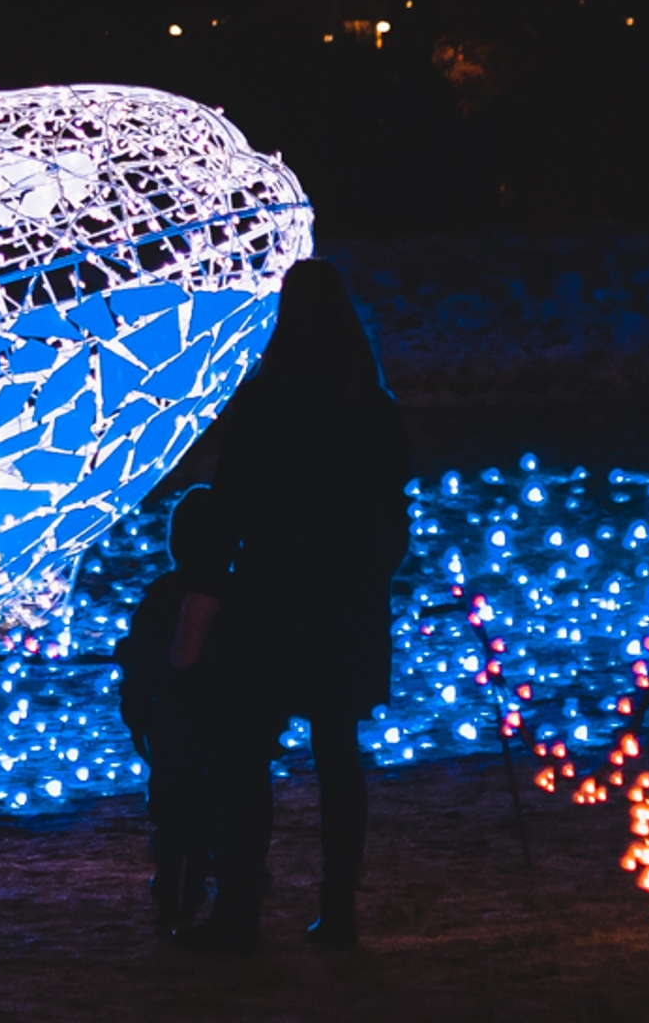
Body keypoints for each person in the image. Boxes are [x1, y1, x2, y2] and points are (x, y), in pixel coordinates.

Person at [174, 257, 416, 953]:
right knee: (336, 750)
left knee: (247, 750)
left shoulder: (266, 405)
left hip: (273, 596)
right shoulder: (368, 410)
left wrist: (205, 580)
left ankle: (241, 905)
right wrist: (369, 581)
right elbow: (392, 518)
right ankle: (337, 907)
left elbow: (230, 505)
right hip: (344, 604)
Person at [114, 485, 230, 936]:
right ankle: (192, 888)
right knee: (204, 812)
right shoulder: (228, 591)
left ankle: (174, 891)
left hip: (173, 721)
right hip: (209, 722)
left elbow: (156, 657)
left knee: (172, 812)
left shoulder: (165, 592)